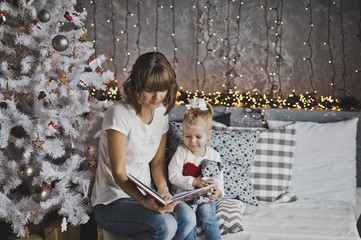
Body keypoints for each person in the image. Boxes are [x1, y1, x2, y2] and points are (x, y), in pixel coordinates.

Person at [91, 52, 197, 240]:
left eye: (162, 89)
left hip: (146, 196)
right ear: (137, 85)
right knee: (165, 225)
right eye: (149, 90)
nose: (157, 97)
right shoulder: (119, 114)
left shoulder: (161, 112)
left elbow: (157, 163)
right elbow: (119, 173)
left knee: (187, 217)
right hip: (111, 201)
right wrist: (146, 202)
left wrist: (163, 191)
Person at [168, 98, 224, 240]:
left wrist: (218, 192)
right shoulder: (182, 152)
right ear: (183, 134)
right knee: (189, 218)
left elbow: (218, 180)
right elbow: (173, 176)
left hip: (204, 197)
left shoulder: (214, 155)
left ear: (208, 135)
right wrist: (194, 182)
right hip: (183, 197)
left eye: (198, 137)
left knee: (207, 216)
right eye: (188, 136)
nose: (192, 141)